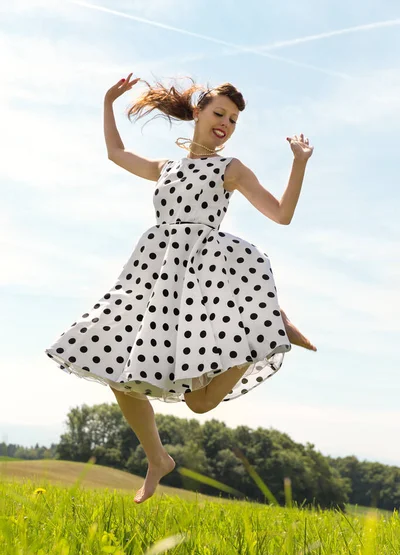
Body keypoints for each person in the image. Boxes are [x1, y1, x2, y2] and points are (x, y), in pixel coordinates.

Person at [45, 73, 316, 504]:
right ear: (198, 112)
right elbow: (115, 153)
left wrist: (299, 163)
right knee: (113, 359)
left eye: (233, 119)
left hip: (202, 277)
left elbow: (281, 214)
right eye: (219, 113)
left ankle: (267, 331)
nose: (226, 123)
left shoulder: (231, 169)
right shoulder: (165, 167)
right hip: (152, 273)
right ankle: (158, 459)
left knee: (200, 404)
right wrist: (107, 103)